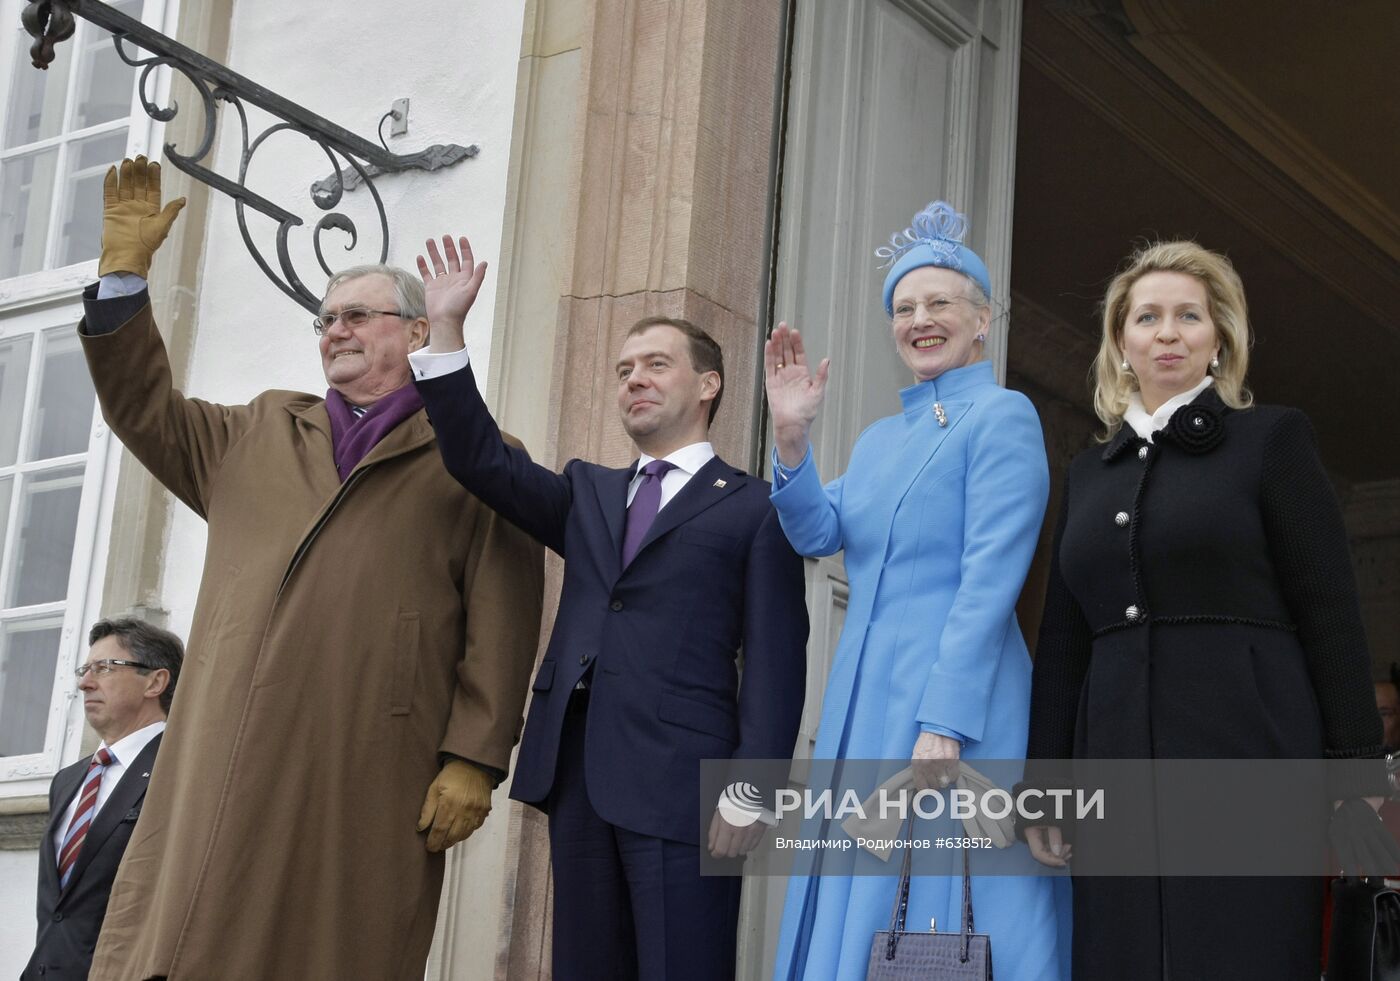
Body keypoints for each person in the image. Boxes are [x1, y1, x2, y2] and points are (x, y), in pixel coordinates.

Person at [77, 157, 545, 980]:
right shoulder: (257, 431)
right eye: (325, 318)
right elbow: (144, 410)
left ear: (414, 330)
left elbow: (504, 617)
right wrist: (123, 278)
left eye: (358, 316)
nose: (334, 330)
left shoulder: (478, 459)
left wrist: (475, 754)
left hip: (360, 757)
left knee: (330, 941)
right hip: (223, 746)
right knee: (188, 938)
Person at [408, 235, 810, 981]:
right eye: (623, 370)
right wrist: (446, 329)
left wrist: (750, 790)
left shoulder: (757, 507)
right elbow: (477, 458)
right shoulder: (586, 491)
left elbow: (778, 661)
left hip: (687, 786)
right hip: (580, 774)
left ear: (709, 384)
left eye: (656, 364)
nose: (634, 380)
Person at [1023, 240, 1386, 980]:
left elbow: (1332, 612)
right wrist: (1045, 782)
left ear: (1219, 337)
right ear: (1121, 341)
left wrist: (1354, 782)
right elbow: (1063, 639)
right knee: (1123, 955)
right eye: (1147, 316)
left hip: (1248, 751)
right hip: (1116, 759)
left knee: (1239, 951)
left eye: (1188, 316)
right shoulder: (1090, 472)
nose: (1167, 331)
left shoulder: (1271, 440)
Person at [763, 200, 1064, 980]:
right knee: (860, 899)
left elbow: (991, 575)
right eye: (904, 307)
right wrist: (792, 441)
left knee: (947, 904)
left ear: (983, 319)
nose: (920, 320)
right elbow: (817, 533)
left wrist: (946, 718)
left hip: (957, 697)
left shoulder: (1003, 416)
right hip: (866, 697)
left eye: (939, 303)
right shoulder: (877, 438)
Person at [23, 618, 183, 981]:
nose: (84, 682)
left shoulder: (181, 770)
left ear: (155, 682)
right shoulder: (68, 781)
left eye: (105, 668)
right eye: (85, 669)